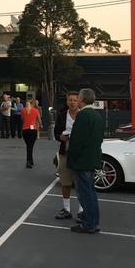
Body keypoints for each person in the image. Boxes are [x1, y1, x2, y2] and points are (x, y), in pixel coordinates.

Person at [68, 88, 104, 234]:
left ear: (82, 99)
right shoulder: (97, 116)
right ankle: (92, 221)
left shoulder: (83, 116)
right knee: (91, 193)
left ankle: (88, 223)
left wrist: (72, 157)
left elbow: (77, 140)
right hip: (92, 158)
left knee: (85, 193)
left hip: (82, 161)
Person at [54, 92, 81, 220]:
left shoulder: (83, 115)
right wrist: (61, 137)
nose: (72, 102)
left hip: (80, 154)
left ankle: (82, 210)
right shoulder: (62, 115)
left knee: (81, 182)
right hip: (65, 152)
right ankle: (67, 209)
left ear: (79, 101)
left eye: (75, 100)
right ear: (66, 102)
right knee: (65, 182)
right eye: (70, 100)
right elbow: (56, 133)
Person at [21, 100, 42, 168]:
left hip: (25, 130)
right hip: (33, 130)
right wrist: (41, 125)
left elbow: (22, 119)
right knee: (30, 146)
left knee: (29, 146)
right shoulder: (36, 110)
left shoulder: (23, 110)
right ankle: (28, 161)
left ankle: (31, 160)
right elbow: (39, 119)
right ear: (32, 105)